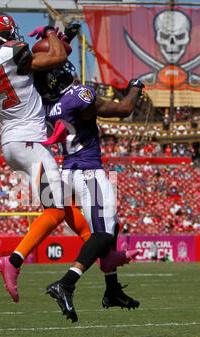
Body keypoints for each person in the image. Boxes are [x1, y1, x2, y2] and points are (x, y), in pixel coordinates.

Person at [0, 11, 70, 302]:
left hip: (11, 143)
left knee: (63, 203)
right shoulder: (13, 51)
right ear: (3, 33)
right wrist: (52, 32)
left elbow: (25, 69)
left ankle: (100, 251)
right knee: (54, 211)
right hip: (29, 142)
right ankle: (13, 261)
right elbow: (58, 58)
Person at [35, 62, 144, 322]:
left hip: (70, 171)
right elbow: (125, 109)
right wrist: (136, 87)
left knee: (111, 226)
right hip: (88, 173)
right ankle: (67, 283)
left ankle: (112, 289)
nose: (70, 71)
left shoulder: (47, 103)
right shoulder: (77, 97)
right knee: (104, 234)